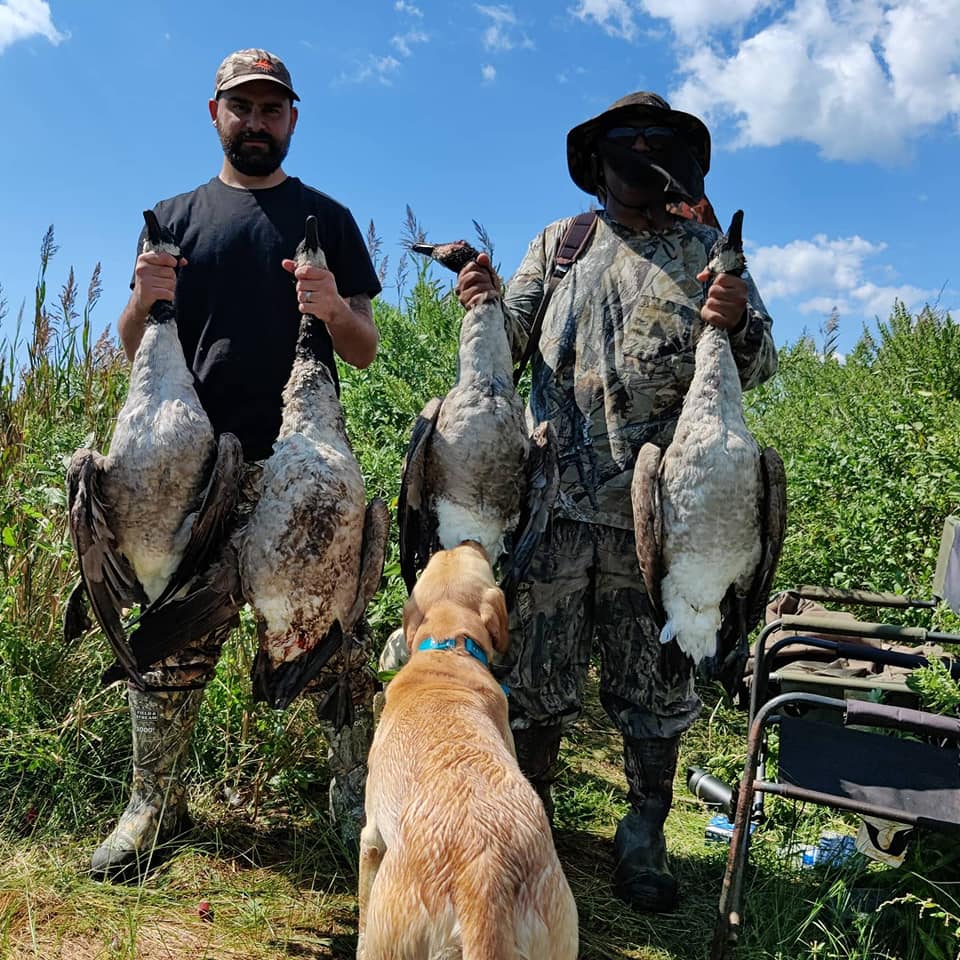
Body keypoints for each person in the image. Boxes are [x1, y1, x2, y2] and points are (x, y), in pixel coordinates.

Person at [455, 92, 777, 912]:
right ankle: (529, 834)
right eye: (623, 142)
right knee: (533, 683)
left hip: (660, 524)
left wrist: (737, 323)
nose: (639, 152)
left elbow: (762, 363)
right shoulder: (559, 246)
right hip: (553, 515)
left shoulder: (706, 248)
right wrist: (482, 297)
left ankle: (643, 845)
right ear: (595, 161)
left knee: (655, 694)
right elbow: (510, 341)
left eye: (653, 141)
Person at [93, 48, 382, 880]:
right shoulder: (171, 217)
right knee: (169, 652)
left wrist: (332, 308)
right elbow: (129, 353)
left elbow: (361, 350)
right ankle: (153, 808)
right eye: (241, 107)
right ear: (214, 114)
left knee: (332, 641)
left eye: (271, 108)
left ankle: (353, 807)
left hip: (298, 470)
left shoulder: (324, 218)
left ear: (292, 118)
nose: (255, 122)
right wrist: (139, 299)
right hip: (188, 478)